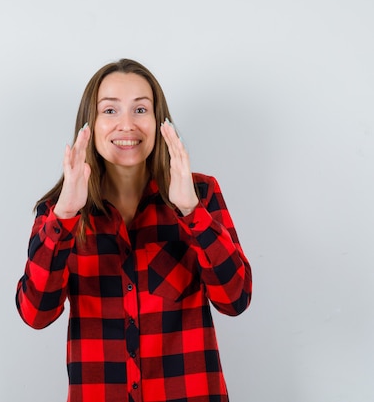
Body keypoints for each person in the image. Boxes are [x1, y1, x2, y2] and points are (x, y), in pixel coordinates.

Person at [15, 58, 252, 402]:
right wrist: (65, 215)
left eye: (140, 110)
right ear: (89, 125)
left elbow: (236, 299)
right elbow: (35, 314)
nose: (127, 125)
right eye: (109, 111)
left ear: (159, 121)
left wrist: (191, 212)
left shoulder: (201, 194)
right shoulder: (59, 211)